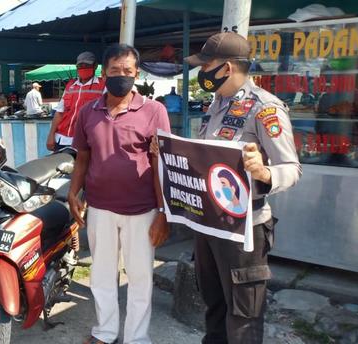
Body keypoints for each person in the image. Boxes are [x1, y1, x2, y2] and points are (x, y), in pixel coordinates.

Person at [178, 32, 302, 343]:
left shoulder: (265, 108)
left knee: (243, 317)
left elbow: (291, 168)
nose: (201, 72)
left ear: (227, 67)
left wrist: (263, 171)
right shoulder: (216, 103)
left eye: (205, 65)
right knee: (215, 306)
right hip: (210, 225)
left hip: (244, 230)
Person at [67, 44, 171, 344]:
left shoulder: (154, 111)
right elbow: (83, 157)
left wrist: (163, 213)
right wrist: (74, 192)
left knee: (139, 279)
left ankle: (137, 338)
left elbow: (160, 164)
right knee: (101, 275)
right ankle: (105, 332)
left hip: (142, 210)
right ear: (103, 73)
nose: (121, 76)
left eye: (127, 71)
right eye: (115, 70)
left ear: (136, 73)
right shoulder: (89, 112)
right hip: (99, 207)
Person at [47, 51, 105, 151]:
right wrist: (51, 135)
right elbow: (59, 113)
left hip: (85, 141)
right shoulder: (70, 85)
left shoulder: (103, 85)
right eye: (80, 65)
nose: (83, 67)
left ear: (95, 66)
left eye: (87, 65)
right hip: (61, 139)